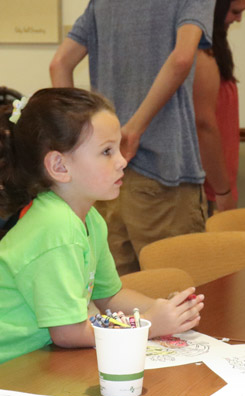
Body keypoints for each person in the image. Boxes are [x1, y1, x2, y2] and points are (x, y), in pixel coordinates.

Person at [0, 88, 204, 383]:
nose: (123, 160)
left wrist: (162, 311)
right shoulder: (57, 227)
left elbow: (109, 296)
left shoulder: (90, 219)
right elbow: (68, 333)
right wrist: (147, 324)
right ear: (59, 166)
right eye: (107, 151)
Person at [49, 0, 217, 275]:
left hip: (104, 178)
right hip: (163, 175)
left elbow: (59, 64)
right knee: (176, 288)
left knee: (115, 292)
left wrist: (80, 144)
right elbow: (182, 58)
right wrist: (134, 129)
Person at [194, 0, 245, 215]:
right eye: (235, 12)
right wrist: (222, 191)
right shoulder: (200, 55)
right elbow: (203, 124)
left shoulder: (216, 52)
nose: (239, 19)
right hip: (205, 190)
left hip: (217, 186)